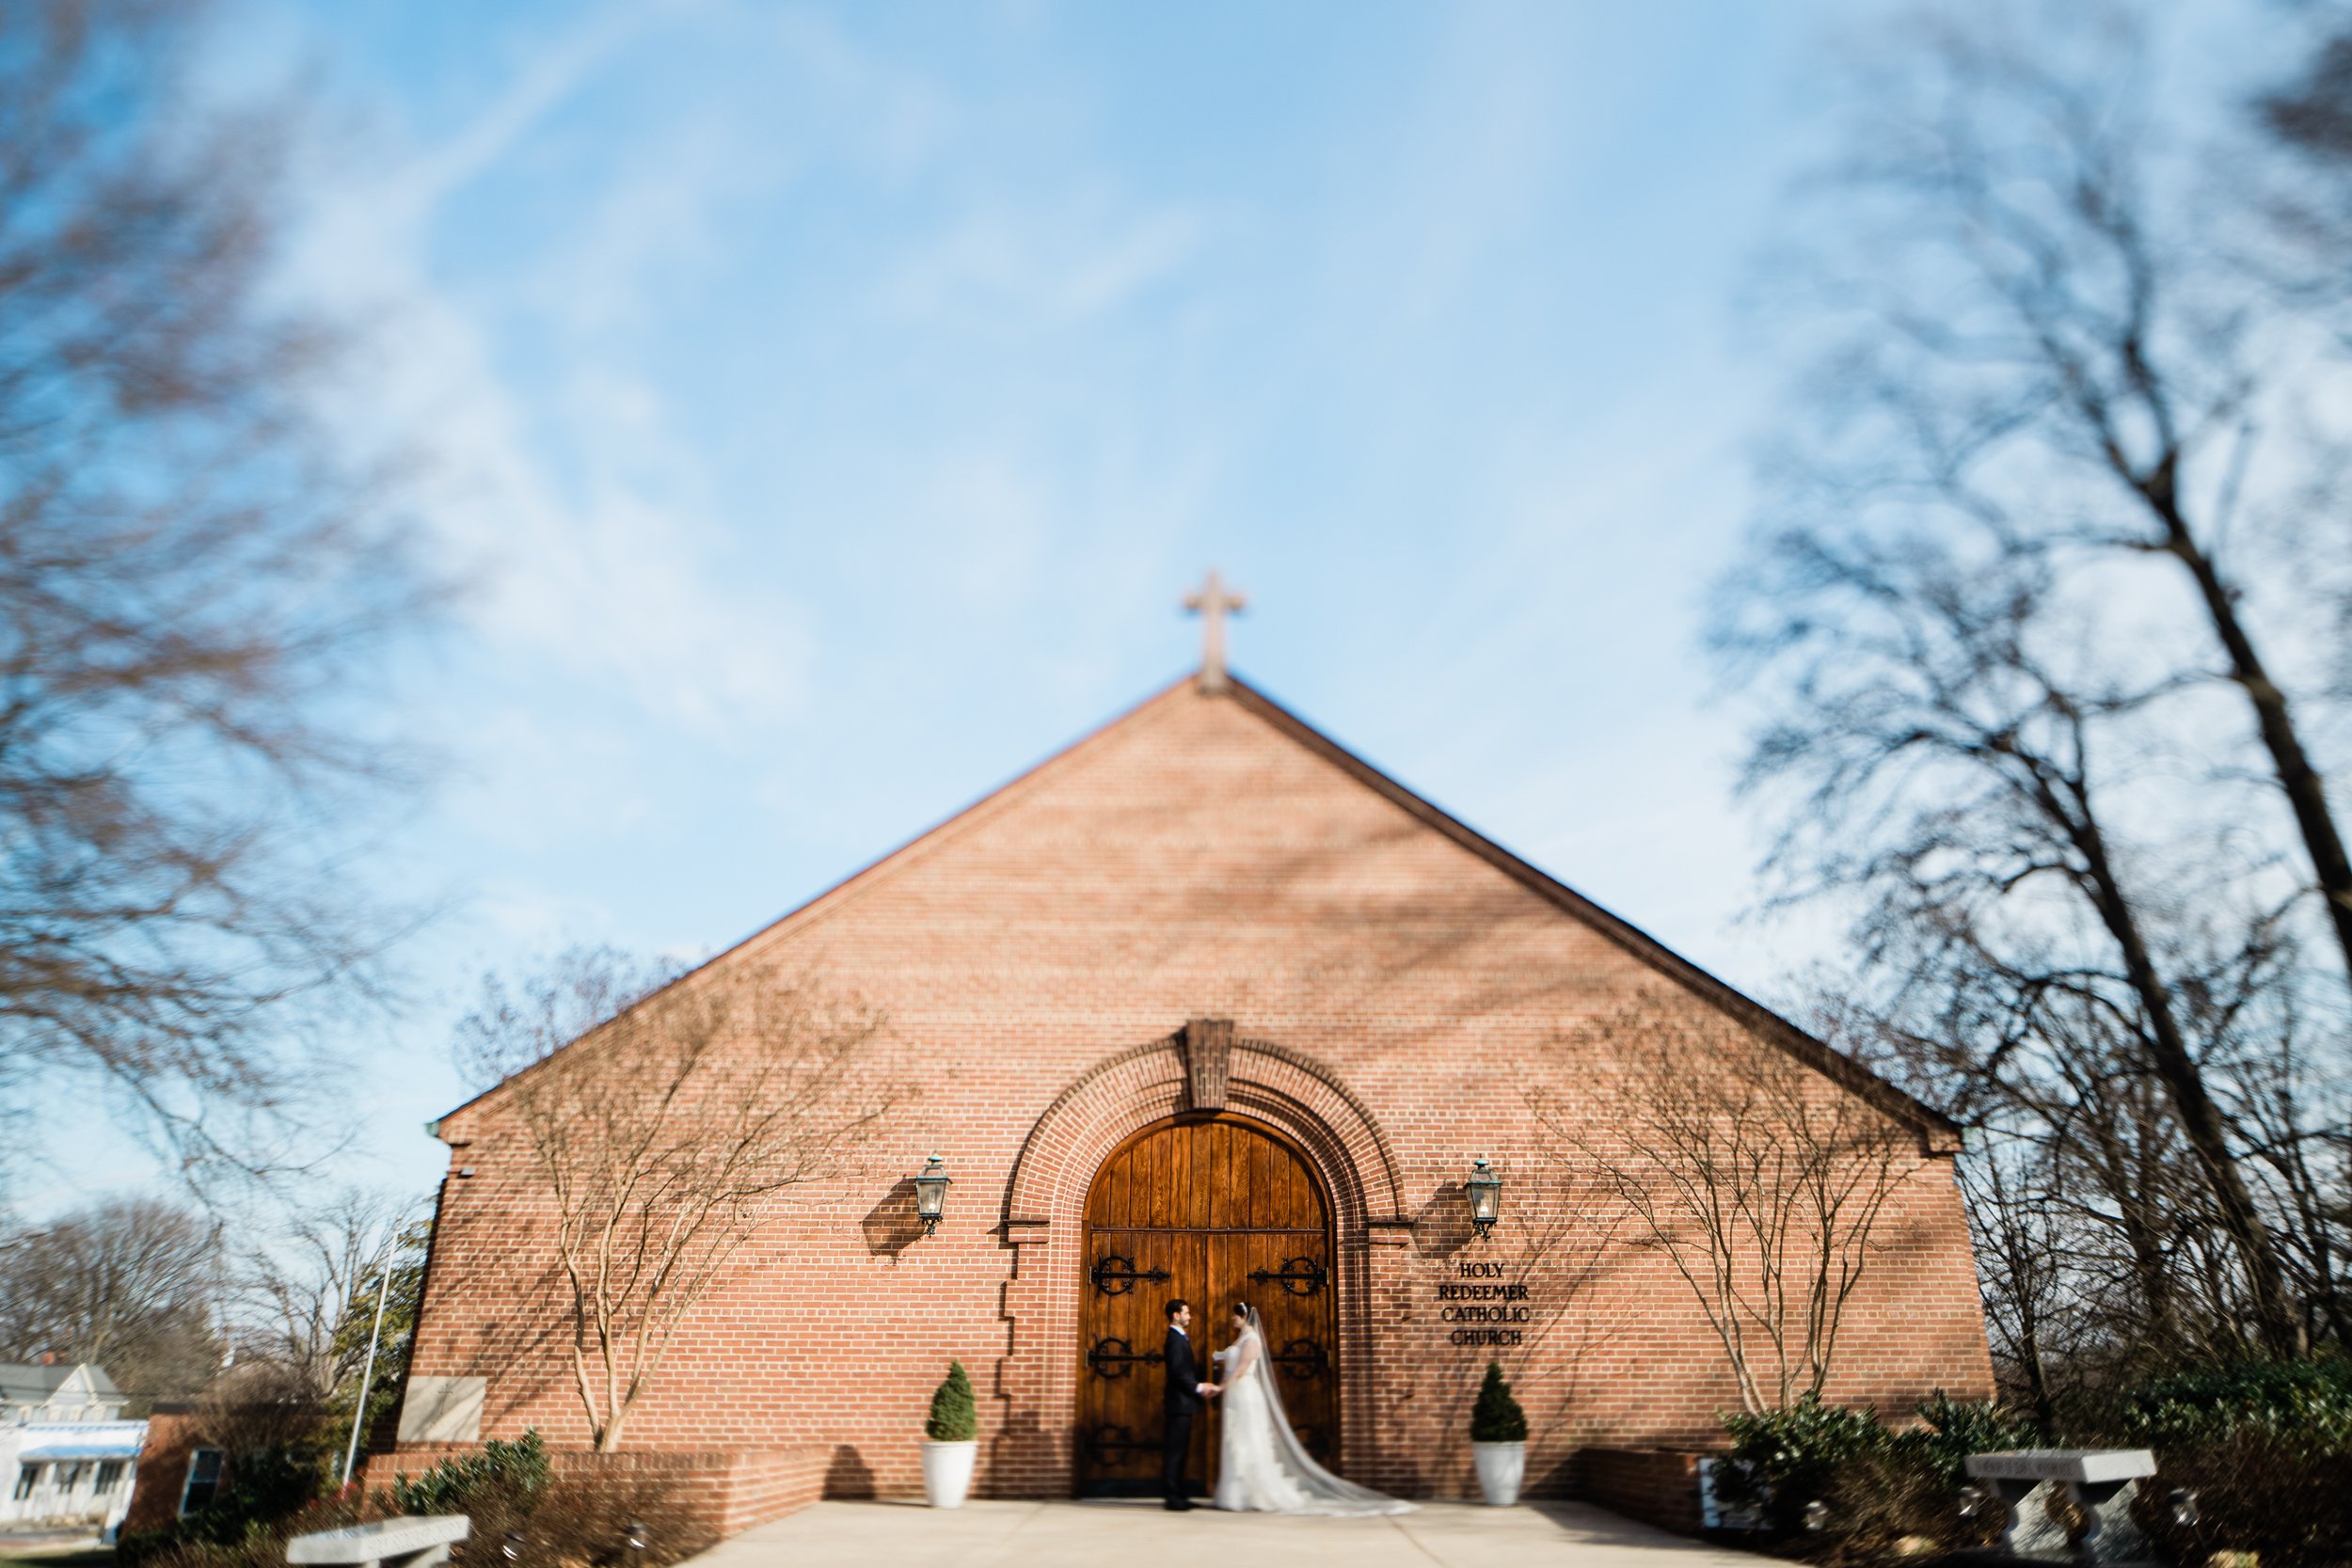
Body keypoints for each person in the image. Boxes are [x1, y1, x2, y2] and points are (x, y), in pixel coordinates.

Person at [1209, 1299, 1414, 1515]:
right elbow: (1233, 1360)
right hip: (1237, 1395)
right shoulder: (1241, 1340)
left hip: (1246, 1394)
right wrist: (1220, 1357)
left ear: (1243, 1316)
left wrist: (1219, 1387)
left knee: (1248, 1439)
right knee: (1237, 1439)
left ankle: (1254, 1493)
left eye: (1235, 1315)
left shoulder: (1251, 1340)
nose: (1232, 1318)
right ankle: (1238, 1493)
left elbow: (1241, 1369)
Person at [1160, 1298, 1214, 1511]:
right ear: (1176, 1315)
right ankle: (1172, 1497)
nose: (1189, 1316)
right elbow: (1178, 1372)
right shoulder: (1174, 1339)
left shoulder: (1180, 1337)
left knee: (1181, 1451)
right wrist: (1198, 1387)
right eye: (1186, 1312)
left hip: (1183, 1403)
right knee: (1175, 1451)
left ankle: (1179, 1493)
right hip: (1178, 1403)